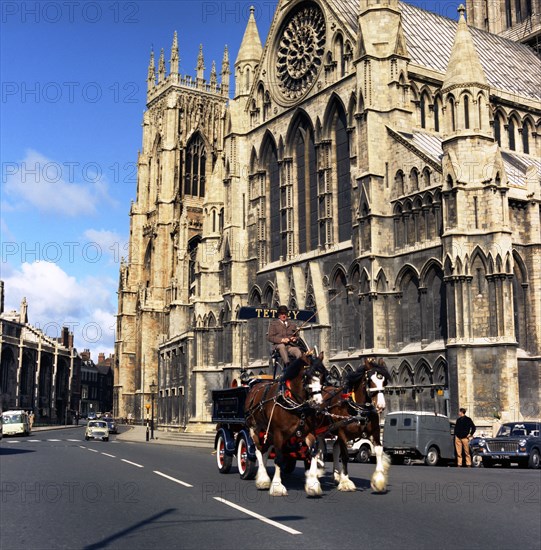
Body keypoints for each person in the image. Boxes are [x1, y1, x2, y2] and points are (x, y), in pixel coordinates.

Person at [268, 305, 303, 378]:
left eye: (285, 313)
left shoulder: (292, 325)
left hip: (290, 346)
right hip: (278, 346)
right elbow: (270, 337)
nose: (284, 315)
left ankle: (298, 368)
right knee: (282, 346)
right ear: (279, 315)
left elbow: (297, 336)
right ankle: (287, 365)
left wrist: (295, 339)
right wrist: (281, 340)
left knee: (297, 351)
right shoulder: (273, 324)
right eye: (282, 314)